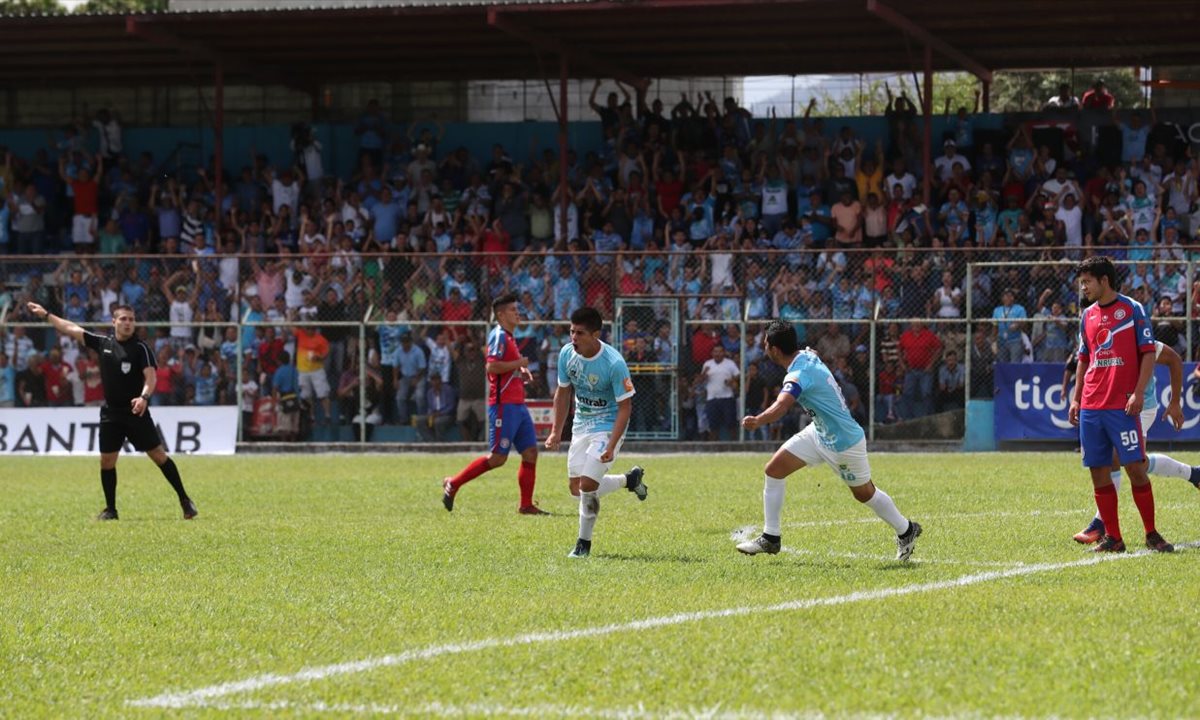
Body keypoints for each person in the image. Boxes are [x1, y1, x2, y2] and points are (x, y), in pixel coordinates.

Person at [735, 320, 921, 562]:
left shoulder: (797, 374)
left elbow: (782, 405)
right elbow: (813, 353)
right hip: (819, 433)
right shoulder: (805, 355)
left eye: (766, 344)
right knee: (774, 470)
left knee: (864, 493)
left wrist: (758, 420)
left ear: (776, 350)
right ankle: (771, 538)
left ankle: (907, 530)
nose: (764, 347)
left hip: (844, 443)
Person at [26, 301, 196, 521]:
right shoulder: (103, 343)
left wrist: (144, 397)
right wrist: (47, 314)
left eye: (131, 320)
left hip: (136, 413)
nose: (127, 323)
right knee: (107, 461)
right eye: (123, 319)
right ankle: (111, 510)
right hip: (111, 414)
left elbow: (151, 377)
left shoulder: (141, 348)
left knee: (158, 456)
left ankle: (184, 500)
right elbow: (71, 328)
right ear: (113, 321)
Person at [1068, 256, 1173, 553]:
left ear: (1104, 280)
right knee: (1098, 471)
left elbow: (1148, 353)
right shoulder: (1087, 315)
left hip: (1122, 406)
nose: (1084, 287)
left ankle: (1151, 533)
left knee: (1135, 469)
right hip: (1091, 406)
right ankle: (1113, 537)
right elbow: (1084, 359)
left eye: (1087, 282)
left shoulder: (1132, 309)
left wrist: (1138, 393)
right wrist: (1076, 398)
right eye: (1081, 282)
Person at [1063, 340, 1198, 544]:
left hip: (1142, 407)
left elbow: (1173, 359)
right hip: (1112, 406)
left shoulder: (1135, 331)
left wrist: (1175, 402)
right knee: (1134, 462)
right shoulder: (1094, 331)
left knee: (1120, 458)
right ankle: (1194, 474)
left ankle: (1101, 524)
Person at [545, 306, 648, 559]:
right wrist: (556, 431)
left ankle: (583, 545)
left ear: (595, 334)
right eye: (571, 332)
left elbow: (625, 407)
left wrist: (612, 445)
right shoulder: (567, 355)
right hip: (581, 425)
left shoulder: (614, 363)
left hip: (608, 426)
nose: (573, 338)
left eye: (580, 333)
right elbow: (563, 392)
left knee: (588, 485)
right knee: (575, 488)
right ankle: (629, 480)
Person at [441, 294, 547, 515]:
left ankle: (526, 505)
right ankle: (453, 483)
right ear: (500, 315)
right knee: (498, 458)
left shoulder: (509, 337)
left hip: (517, 404)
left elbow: (505, 368)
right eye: (512, 310)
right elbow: (491, 367)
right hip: (503, 405)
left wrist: (521, 371)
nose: (517, 313)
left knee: (530, 453)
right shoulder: (498, 336)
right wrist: (519, 363)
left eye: (517, 309)